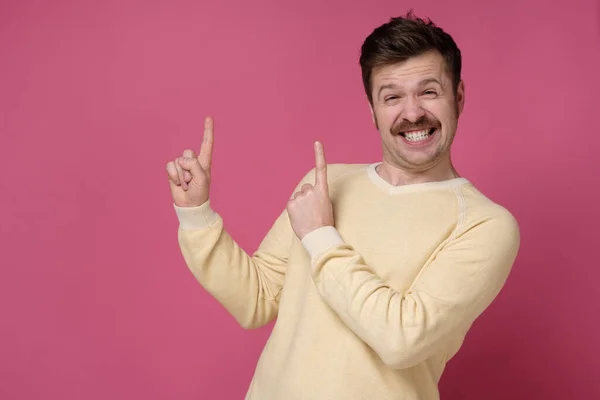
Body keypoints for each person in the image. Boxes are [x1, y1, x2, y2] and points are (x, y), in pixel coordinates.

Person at [165, 11, 520, 400]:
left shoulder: (485, 224)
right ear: (372, 110)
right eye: (392, 97)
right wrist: (197, 214)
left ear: (459, 97)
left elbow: (402, 339)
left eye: (429, 91)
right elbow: (258, 298)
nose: (413, 112)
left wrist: (321, 237)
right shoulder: (325, 183)